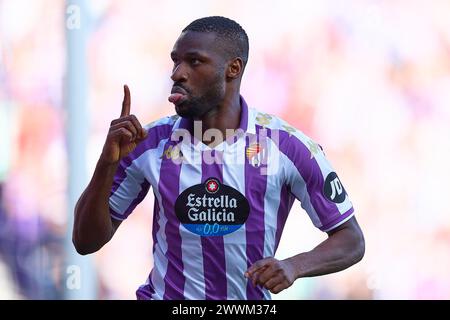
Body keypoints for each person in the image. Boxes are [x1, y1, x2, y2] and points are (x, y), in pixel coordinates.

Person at [72, 16, 365, 300]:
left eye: (194, 61)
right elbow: (85, 241)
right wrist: (107, 163)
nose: (177, 74)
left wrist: (294, 266)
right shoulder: (148, 143)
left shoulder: (286, 146)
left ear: (233, 69)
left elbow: (351, 239)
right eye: (175, 61)